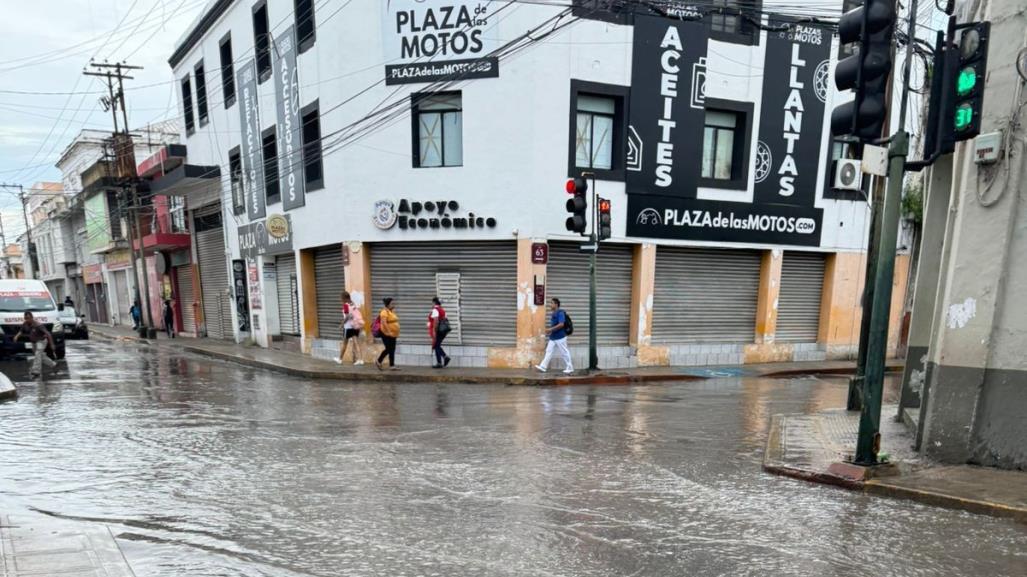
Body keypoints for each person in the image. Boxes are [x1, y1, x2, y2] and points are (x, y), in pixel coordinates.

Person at [535, 297, 574, 374]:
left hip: (560, 337)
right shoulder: (554, 313)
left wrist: (550, 329)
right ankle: (543, 366)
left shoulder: (560, 313)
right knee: (548, 351)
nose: (550, 305)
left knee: (564, 352)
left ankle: (570, 367)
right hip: (553, 337)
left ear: (556, 304)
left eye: (552, 303)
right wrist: (551, 331)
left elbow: (561, 324)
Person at [14, 311, 57, 378]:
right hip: (34, 343)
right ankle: (53, 364)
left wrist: (52, 344)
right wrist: (17, 336)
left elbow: (48, 334)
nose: (27, 320)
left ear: (32, 317)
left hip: (41, 341)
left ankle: (36, 371)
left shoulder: (38, 325)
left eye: (28, 318)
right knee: (40, 356)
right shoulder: (25, 324)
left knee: (38, 354)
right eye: (25, 318)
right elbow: (21, 331)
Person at [337, 291, 364, 365]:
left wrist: (341, 324)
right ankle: (360, 359)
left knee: (344, 344)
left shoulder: (345, 305)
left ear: (344, 298)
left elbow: (347, 317)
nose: (341, 300)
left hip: (348, 327)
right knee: (356, 342)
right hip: (355, 326)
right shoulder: (353, 304)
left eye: (341, 298)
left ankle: (340, 359)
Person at [375, 297, 400, 371]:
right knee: (389, 349)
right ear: (388, 304)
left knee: (392, 349)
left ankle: (392, 365)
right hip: (386, 333)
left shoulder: (391, 311)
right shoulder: (384, 312)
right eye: (392, 303)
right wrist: (389, 332)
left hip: (393, 334)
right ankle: (378, 361)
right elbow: (384, 323)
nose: (393, 304)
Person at [428, 296, 451, 368]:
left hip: (437, 331)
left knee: (436, 346)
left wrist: (434, 331)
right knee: (437, 345)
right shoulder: (442, 310)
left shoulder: (435, 310)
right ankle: (442, 360)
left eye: (432, 303)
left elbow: (436, 321)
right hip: (443, 331)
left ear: (434, 302)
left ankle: (442, 359)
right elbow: (445, 320)